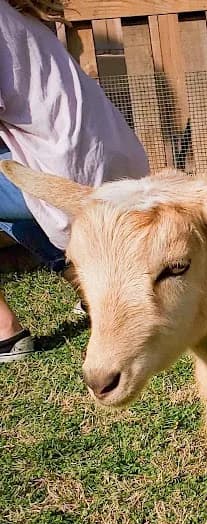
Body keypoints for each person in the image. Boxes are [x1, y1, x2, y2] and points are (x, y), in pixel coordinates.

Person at [0, 0, 149, 362]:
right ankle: (91, 286)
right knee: (12, 204)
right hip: (112, 164)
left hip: (71, 178)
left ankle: (5, 332)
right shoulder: (14, 15)